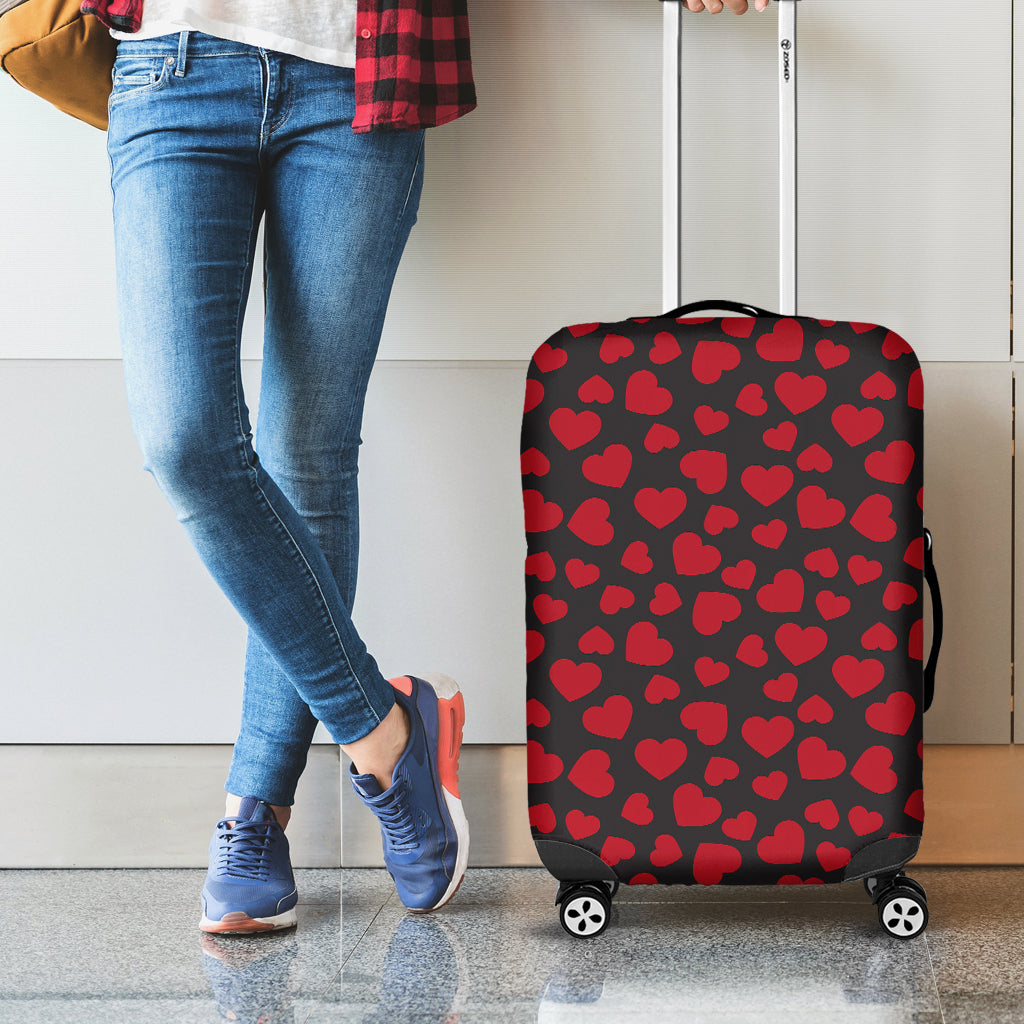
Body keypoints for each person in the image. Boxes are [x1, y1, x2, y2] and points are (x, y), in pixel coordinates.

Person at [85, 0, 476, 932]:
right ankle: (386, 730)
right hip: (173, 69)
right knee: (184, 441)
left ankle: (255, 813)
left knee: (308, 457)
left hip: (359, 79)